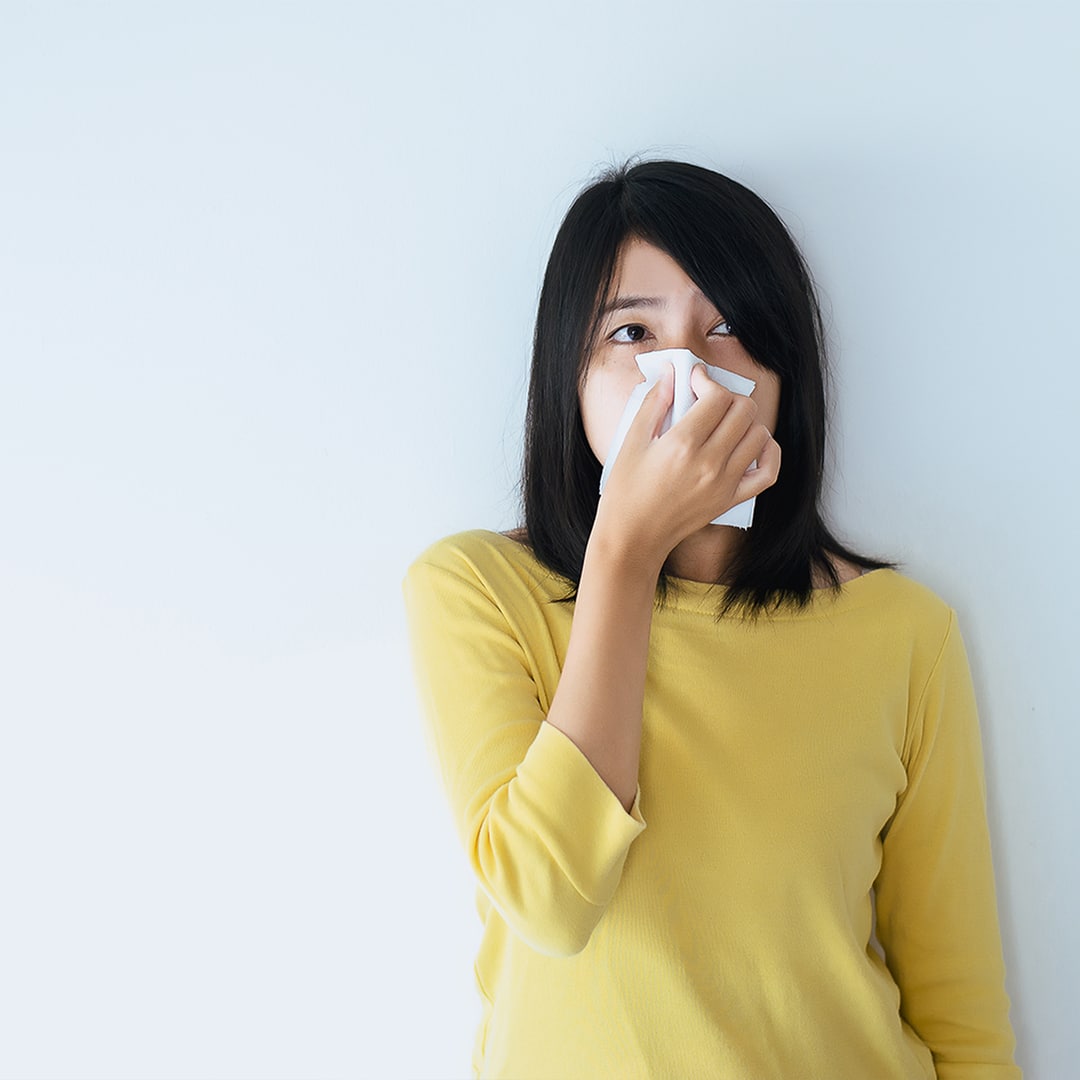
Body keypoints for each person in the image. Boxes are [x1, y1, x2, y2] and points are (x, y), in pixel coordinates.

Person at [402, 159, 1020, 1078]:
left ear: (783, 371)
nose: (683, 371)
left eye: (725, 326)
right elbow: (548, 902)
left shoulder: (902, 633)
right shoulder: (478, 591)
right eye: (632, 330)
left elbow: (963, 1020)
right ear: (569, 375)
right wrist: (625, 550)